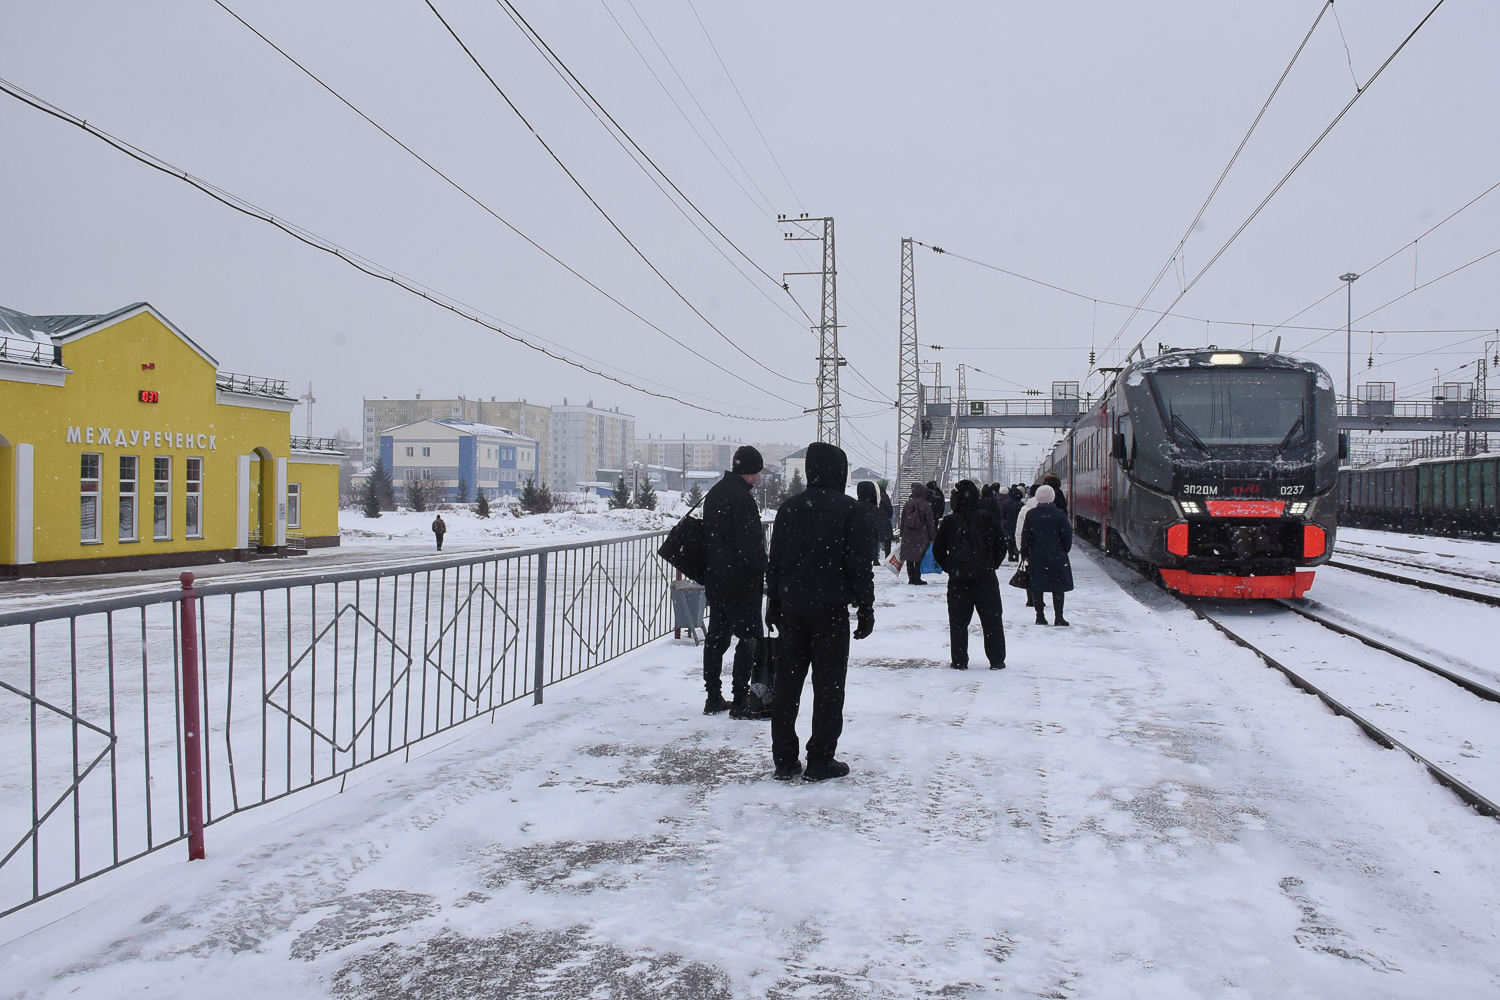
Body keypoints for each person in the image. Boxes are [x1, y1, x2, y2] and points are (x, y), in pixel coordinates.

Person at [765, 442, 875, 781]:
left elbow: (776, 562)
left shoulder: (789, 509)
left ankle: (784, 759)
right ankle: (820, 759)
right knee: (828, 686)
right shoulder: (850, 510)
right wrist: (866, 605)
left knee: (787, 685)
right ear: (839, 471)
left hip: (792, 608)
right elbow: (858, 564)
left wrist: (774, 604)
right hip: (830, 610)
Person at [701, 446, 769, 718]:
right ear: (750, 472)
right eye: (759, 471)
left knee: (716, 639)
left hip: (717, 580)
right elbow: (750, 545)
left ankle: (713, 696)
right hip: (741, 583)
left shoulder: (716, 493)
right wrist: (765, 568)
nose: (761, 475)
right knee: (750, 639)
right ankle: (741, 699)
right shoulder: (742, 499)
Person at [932, 480, 1008, 670]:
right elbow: (1001, 547)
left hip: (959, 580)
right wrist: (991, 565)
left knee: (958, 623)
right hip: (986, 579)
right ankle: (996, 660)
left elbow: (938, 549)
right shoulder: (988, 518)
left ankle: (959, 660)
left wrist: (950, 567)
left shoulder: (950, 521)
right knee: (992, 621)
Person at [1021, 484, 1074, 626]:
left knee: (1037, 586)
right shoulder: (1060, 514)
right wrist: (1063, 550)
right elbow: (1067, 537)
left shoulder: (1031, 514)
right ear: (1052, 497)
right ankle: (1059, 617)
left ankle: (1040, 617)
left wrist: (1025, 553)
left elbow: (1025, 536)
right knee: (1058, 587)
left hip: (1036, 555)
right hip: (1056, 555)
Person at [898, 482, 936, 585]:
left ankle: (911, 578)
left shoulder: (908, 504)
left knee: (909, 557)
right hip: (921, 534)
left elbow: (902, 520)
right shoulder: (926, 505)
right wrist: (933, 536)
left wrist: (902, 532)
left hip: (908, 534)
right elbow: (930, 522)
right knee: (919, 556)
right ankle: (917, 577)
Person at [1013, 486, 1040, 607]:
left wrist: (1021, 549)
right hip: (1043, 549)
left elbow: (1019, 532)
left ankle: (1030, 599)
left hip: (1027, 547)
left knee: (1028, 573)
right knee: (1041, 575)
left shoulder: (1025, 509)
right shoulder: (1049, 510)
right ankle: (1039, 599)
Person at [855, 480, 886, 565]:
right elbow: (876, 525)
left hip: (856, 540)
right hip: (870, 538)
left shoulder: (854, 506)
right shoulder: (874, 508)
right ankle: (875, 559)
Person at [1000, 486, 1024, 563]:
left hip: (1009, 523)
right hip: (1018, 522)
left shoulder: (1007, 504)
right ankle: (1017, 554)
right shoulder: (1021, 504)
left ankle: (1010, 555)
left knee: (1010, 540)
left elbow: (1003, 515)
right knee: (1018, 538)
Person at [877, 481, 895, 559]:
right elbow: (889, 508)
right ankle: (887, 557)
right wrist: (889, 516)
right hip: (884, 519)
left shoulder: (875, 494)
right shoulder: (884, 495)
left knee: (876, 538)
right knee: (887, 539)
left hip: (876, 519)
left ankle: (875, 558)